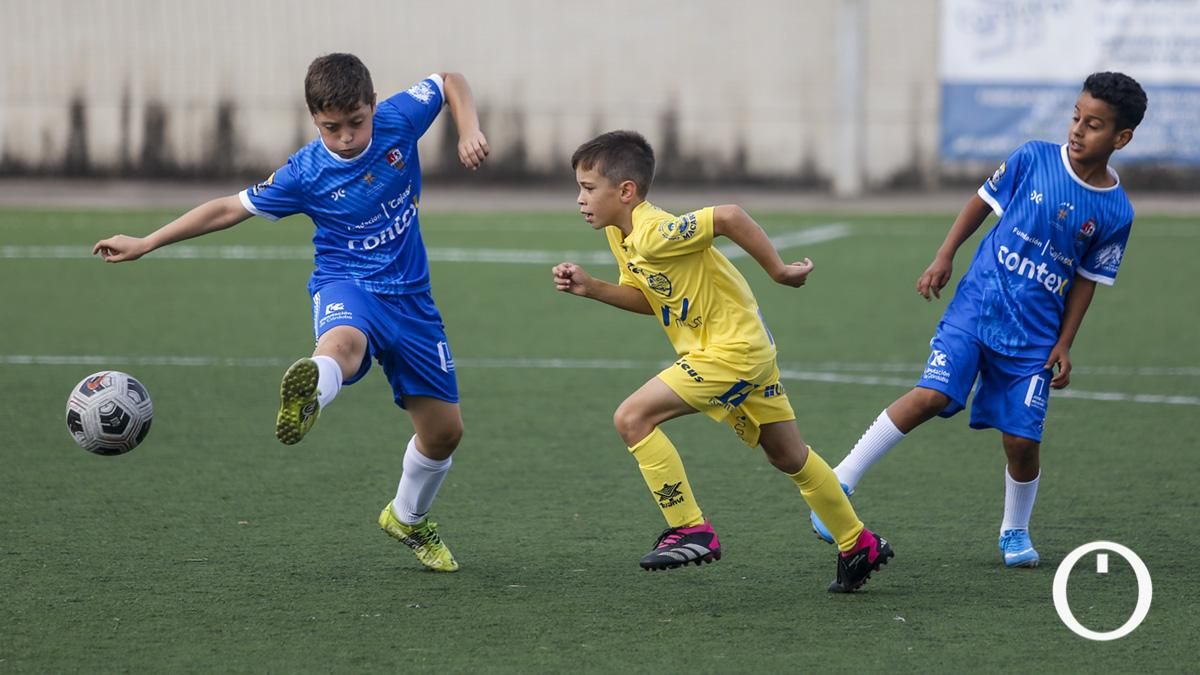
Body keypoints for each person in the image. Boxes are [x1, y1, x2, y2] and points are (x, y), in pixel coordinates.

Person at [93, 53, 490, 573]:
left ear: (373, 105)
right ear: (313, 119)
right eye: (331, 128)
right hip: (346, 284)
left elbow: (449, 80)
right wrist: (148, 241)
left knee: (444, 433)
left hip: (413, 301)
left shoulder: (399, 118)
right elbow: (229, 207)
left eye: (355, 122)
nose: (345, 137)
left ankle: (407, 518)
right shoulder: (306, 172)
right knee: (342, 345)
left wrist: (468, 129)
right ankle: (311, 394)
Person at [810, 72, 1147, 568]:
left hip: (1035, 335)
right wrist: (944, 254)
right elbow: (980, 204)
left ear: (1121, 138)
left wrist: (1066, 341)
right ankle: (840, 480)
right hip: (978, 306)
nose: (1077, 130)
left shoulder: (1117, 212)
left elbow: (1086, 278)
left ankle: (1015, 531)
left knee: (1022, 441)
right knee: (932, 395)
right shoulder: (1033, 158)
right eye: (1076, 117)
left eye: (1093, 124)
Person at [553, 130, 894, 592]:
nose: (580, 199)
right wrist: (593, 288)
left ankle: (690, 528)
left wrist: (779, 271)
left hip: (732, 352)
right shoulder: (622, 234)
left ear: (626, 191)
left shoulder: (653, 232)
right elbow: (653, 298)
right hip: (744, 350)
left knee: (632, 418)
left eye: (588, 188)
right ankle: (858, 544)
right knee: (788, 454)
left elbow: (730, 215)